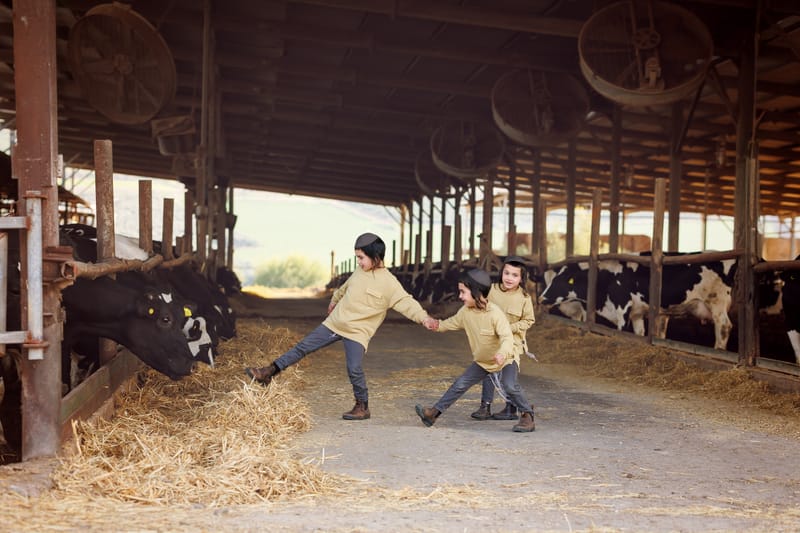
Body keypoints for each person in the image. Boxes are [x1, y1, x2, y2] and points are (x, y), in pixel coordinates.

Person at [245, 232, 437, 421]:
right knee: (303, 347)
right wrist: (334, 300)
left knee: (354, 368)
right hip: (335, 323)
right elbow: (344, 288)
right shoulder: (359, 272)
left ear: (375, 257)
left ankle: (362, 406)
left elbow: (406, 302)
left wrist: (424, 318)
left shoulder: (389, 283)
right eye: (357, 257)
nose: (359, 262)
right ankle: (268, 372)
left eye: (361, 258)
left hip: (358, 333)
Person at [415, 268, 536, 432]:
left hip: (506, 359)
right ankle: (433, 414)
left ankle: (527, 415)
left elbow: (507, 338)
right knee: (459, 385)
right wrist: (437, 325)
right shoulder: (465, 312)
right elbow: (451, 323)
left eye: (463, 292)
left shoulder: (495, 314)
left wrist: (502, 353)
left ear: (477, 292)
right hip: (483, 362)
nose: (460, 296)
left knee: (510, 386)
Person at [470, 256, 535, 421]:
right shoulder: (491, 290)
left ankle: (512, 408)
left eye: (514, 275)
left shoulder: (525, 298)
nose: (509, 278)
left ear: (521, 278)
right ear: (501, 273)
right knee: (488, 371)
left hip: (512, 343)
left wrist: (508, 329)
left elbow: (529, 320)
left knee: (508, 377)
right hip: (491, 340)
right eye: (506, 273)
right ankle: (485, 406)